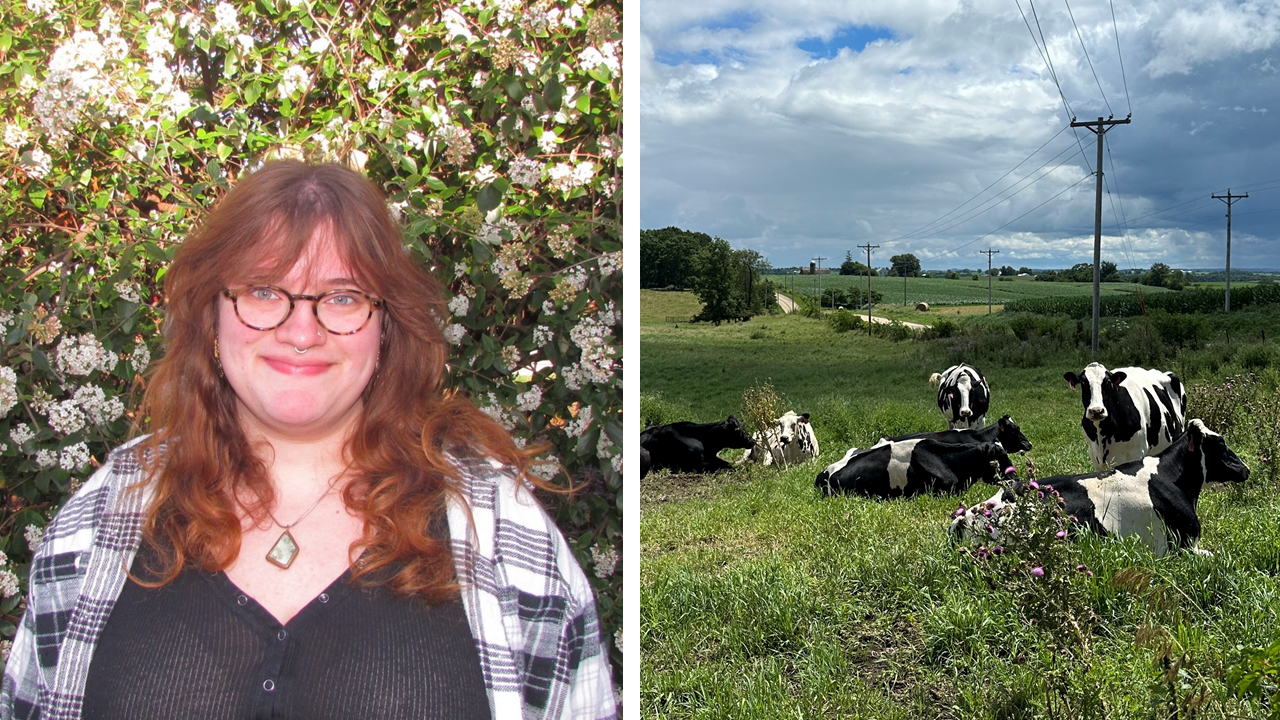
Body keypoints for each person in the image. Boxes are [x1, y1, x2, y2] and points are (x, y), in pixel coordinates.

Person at [0, 161, 616, 719]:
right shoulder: (106, 517)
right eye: (264, 291)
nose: (301, 330)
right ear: (212, 312)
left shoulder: (498, 529)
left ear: (387, 325)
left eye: (342, 297)